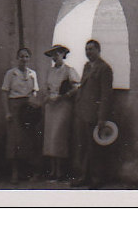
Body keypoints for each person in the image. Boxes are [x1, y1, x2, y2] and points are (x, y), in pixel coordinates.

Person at [71, 39, 114, 188]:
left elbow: (105, 95)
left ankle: (97, 179)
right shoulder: (87, 67)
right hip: (82, 112)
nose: (88, 52)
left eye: (91, 49)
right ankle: (84, 177)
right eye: (86, 49)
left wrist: (102, 117)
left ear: (98, 50)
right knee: (83, 146)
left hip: (94, 114)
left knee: (94, 149)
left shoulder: (105, 69)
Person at [1, 47, 40, 184]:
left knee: (29, 140)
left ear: (29, 58)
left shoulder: (32, 74)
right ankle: (15, 172)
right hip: (15, 107)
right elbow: (4, 93)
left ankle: (27, 172)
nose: (24, 59)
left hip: (28, 109)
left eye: (26, 56)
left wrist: (34, 107)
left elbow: (35, 92)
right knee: (14, 141)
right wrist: (7, 112)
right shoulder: (11, 74)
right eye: (21, 56)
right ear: (17, 58)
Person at [42, 44, 81, 181]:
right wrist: (47, 96)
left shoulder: (69, 70)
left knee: (58, 136)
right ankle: (52, 171)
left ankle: (60, 172)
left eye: (57, 54)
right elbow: (47, 87)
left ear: (63, 55)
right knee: (49, 138)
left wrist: (63, 96)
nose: (55, 57)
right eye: (53, 55)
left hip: (63, 106)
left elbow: (76, 88)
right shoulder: (50, 71)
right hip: (51, 106)